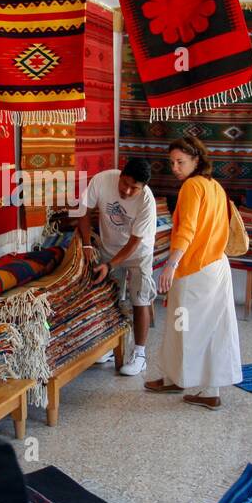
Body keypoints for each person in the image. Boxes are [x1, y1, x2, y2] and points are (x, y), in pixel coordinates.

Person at [144, 136, 241, 410]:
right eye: (172, 162)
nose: (175, 167)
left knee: (181, 326)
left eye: (181, 162)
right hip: (217, 265)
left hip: (194, 268)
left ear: (197, 160)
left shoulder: (191, 186)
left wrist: (171, 265)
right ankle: (199, 385)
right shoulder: (215, 186)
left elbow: (187, 230)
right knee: (213, 328)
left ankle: (180, 380)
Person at [69, 158, 157, 377]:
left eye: (133, 188)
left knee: (140, 299)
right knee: (111, 298)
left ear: (143, 187)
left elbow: (134, 242)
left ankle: (140, 355)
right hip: (109, 248)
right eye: (124, 183)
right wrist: (88, 242)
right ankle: (111, 347)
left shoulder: (147, 202)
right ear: (120, 175)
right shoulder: (102, 180)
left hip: (138, 253)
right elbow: (83, 210)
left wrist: (110, 265)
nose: (126, 191)